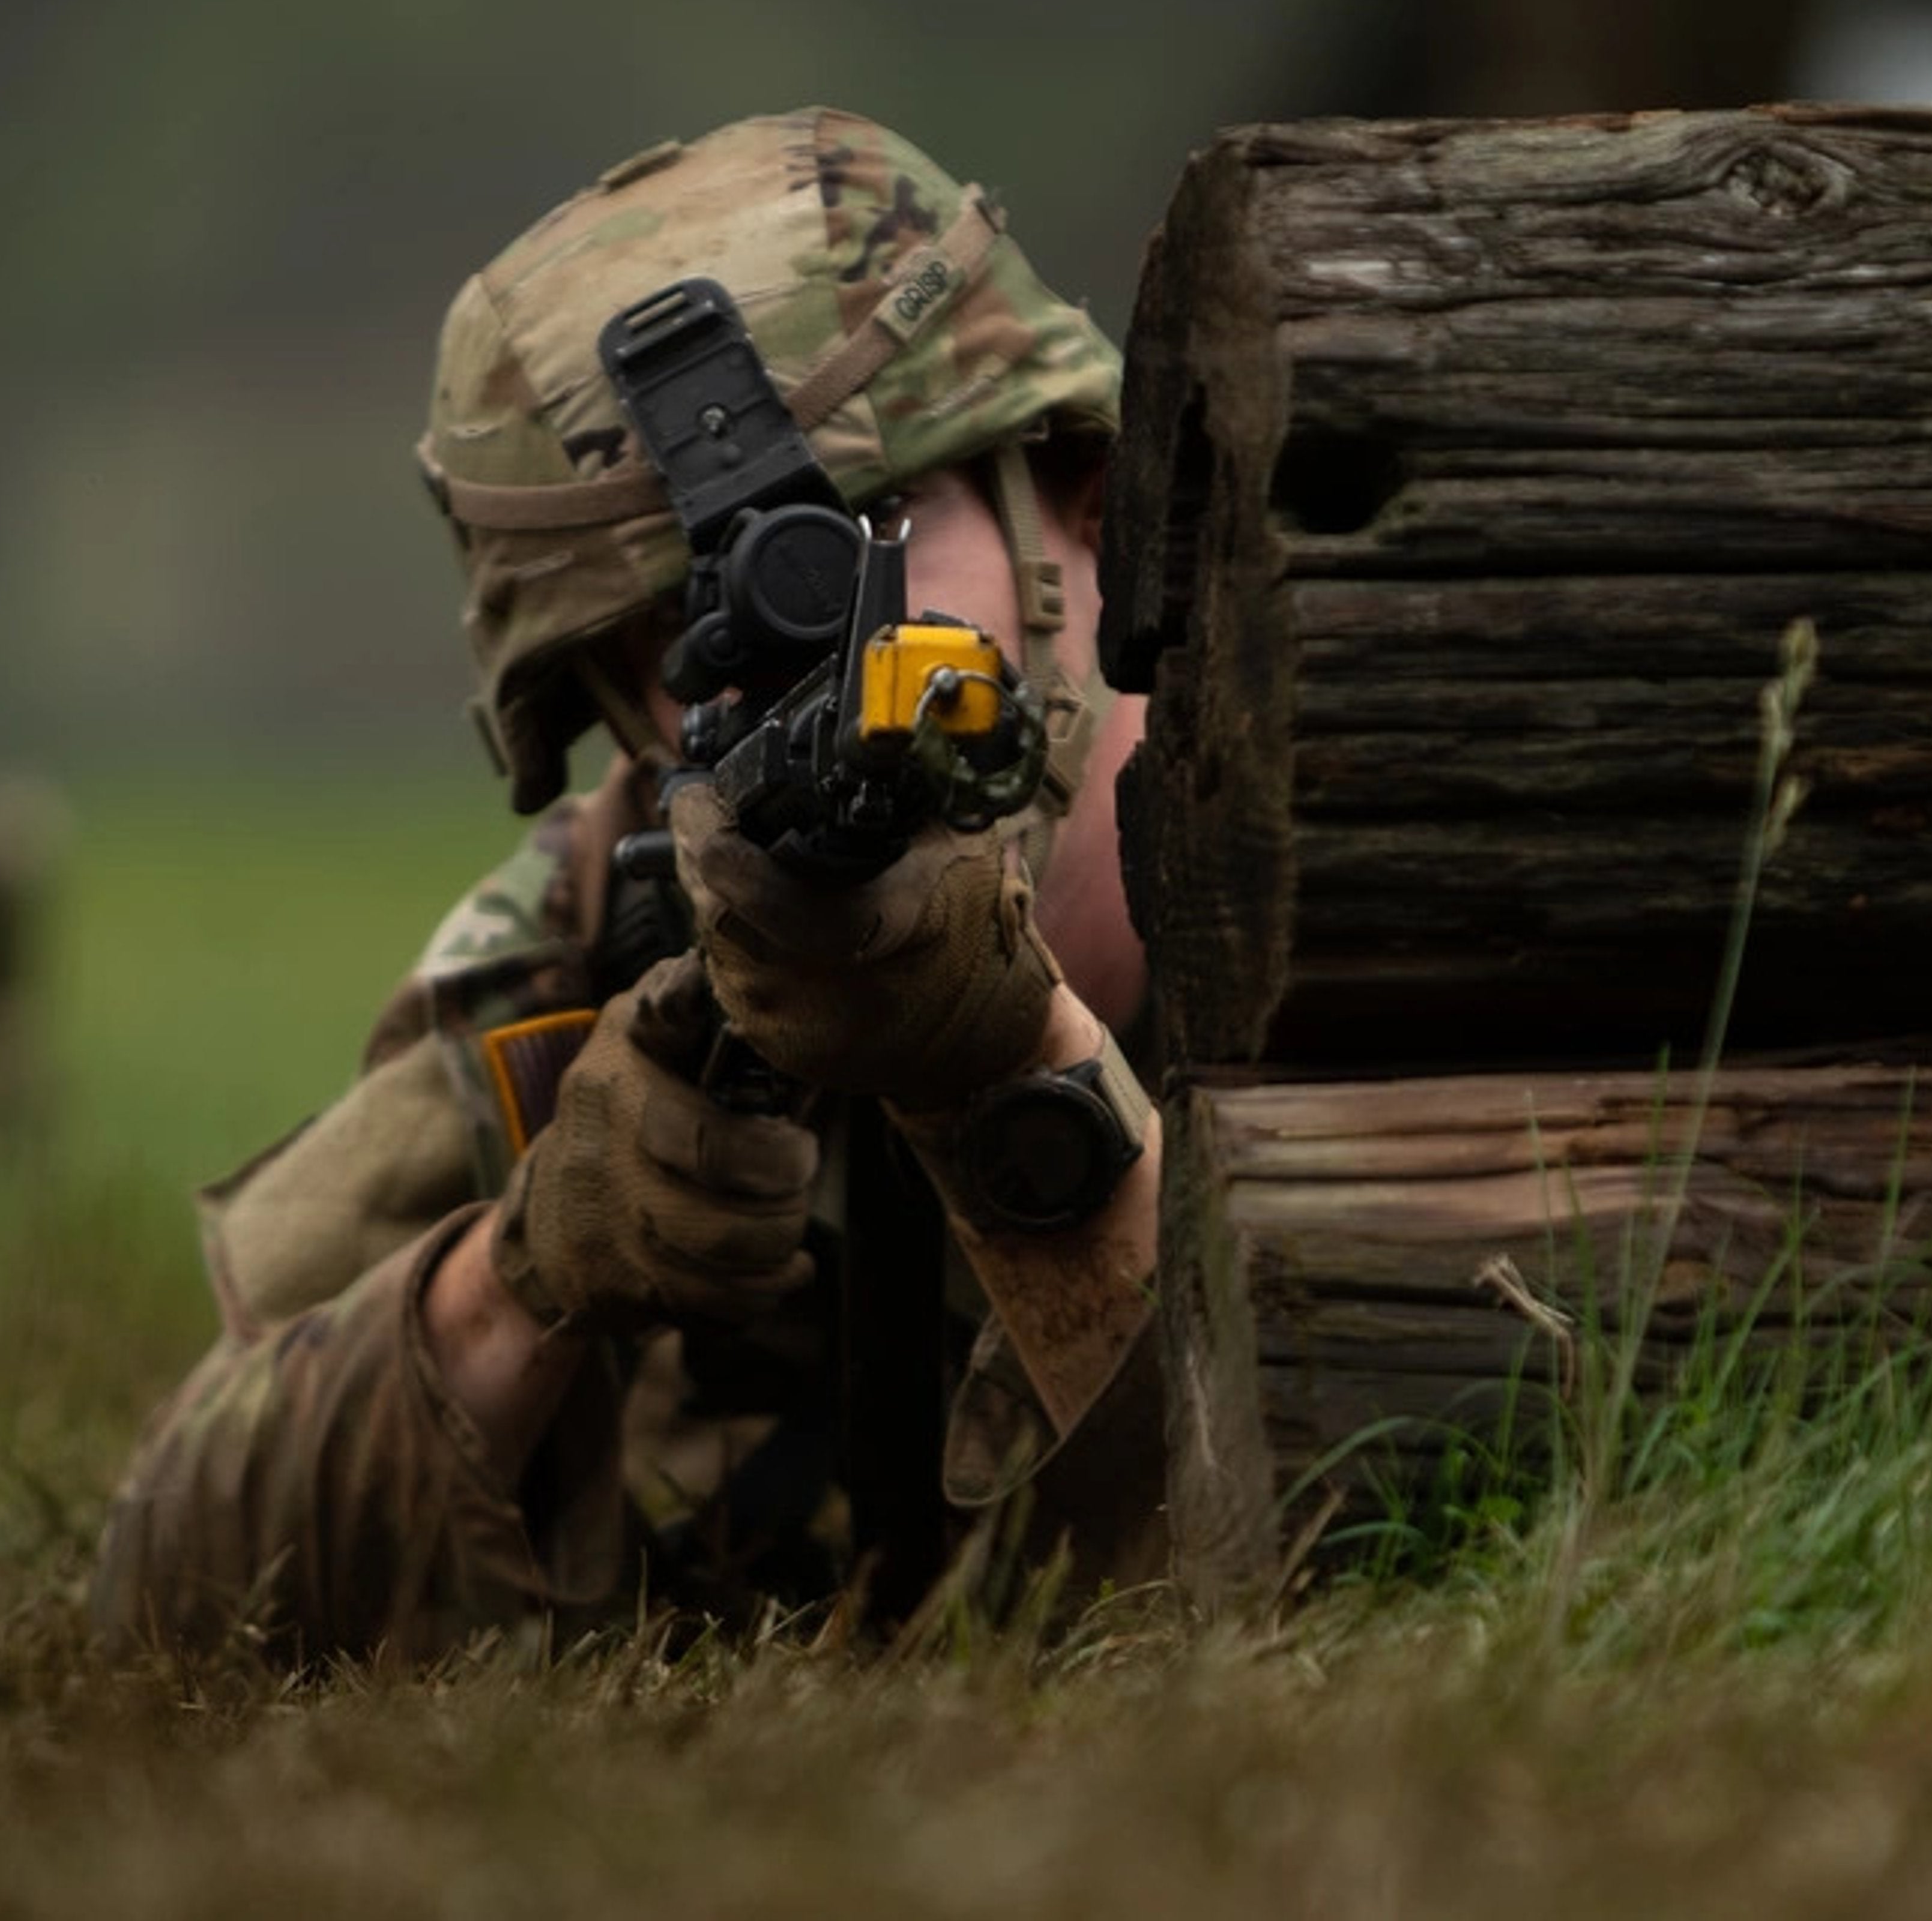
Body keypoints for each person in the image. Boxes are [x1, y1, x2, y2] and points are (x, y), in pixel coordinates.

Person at [89, 109, 1167, 1660]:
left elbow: (1398, 1559)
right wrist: (520, 1288)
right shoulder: (606, 951)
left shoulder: (1373, 860)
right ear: (611, 711)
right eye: (681, 640)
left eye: (858, 548)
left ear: (1082, 495)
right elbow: (169, 1600)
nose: (798, 671)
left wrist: (1017, 1084)